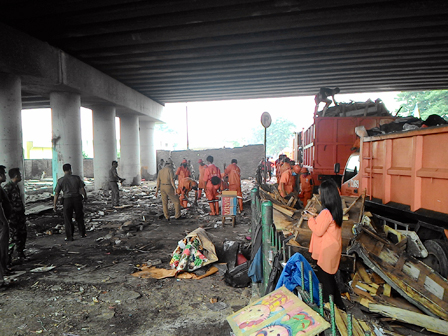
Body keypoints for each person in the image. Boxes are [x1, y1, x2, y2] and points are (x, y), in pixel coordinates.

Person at [303, 179, 344, 310]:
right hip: (333, 247)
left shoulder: (326, 212)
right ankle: (339, 305)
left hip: (327, 249)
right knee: (330, 278)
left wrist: (310, 219)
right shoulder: (335, 209)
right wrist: (316, 216)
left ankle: (330, 308)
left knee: (326, 280)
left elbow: (318, 230)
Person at [53, 164, 88, 241]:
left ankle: (69, 236)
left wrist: (54, 205)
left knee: (68, 218)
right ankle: (82, 233)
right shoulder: (76, 178)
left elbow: (56, 194)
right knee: (79, 216)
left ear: (64, 170)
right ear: (70, 169)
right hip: (77, 199)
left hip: (67, 200)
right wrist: (85, 197)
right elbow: (82, 188)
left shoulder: (61, 180)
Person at [3, 168, 27, 262]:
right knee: (13, 237)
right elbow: (5, 204)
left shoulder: (16, 186)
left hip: (19, 216)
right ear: (16, 176)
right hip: (12, 218)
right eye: (20, 174)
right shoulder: (7, 188)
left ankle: (20, 254)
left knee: (22, 234)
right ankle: (8, 260)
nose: (21, 176)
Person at [0, 165, 12, 281]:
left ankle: (4, 268)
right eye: (3, 173)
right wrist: (4, 222)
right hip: (1, 224)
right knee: (2, 248)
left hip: (3, 222)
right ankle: (2, 272)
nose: (5, 175)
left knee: (4, 248)